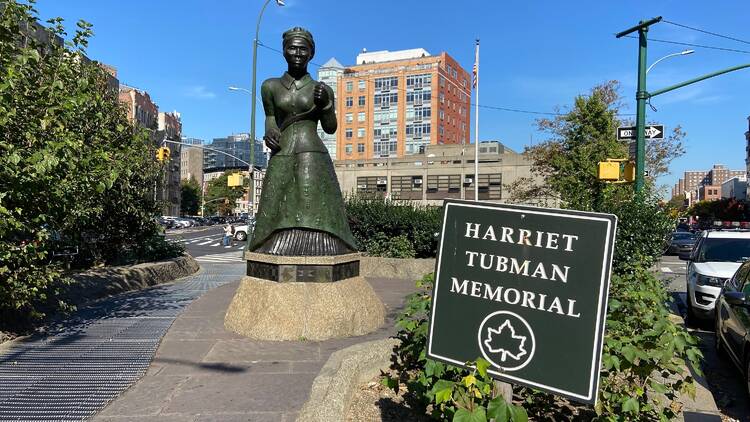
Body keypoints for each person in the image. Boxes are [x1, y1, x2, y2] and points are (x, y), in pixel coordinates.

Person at [247, 27, 357, 256]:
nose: (297, 53)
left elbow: (330, 127)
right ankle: (267, 247)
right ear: (284, 51)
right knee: (273, 201)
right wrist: (270, 133)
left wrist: (326, 105)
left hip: (311, 150)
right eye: (292, 48)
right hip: (282, 151)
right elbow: (270, 119)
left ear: (311, 54)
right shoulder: (270, 86)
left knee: (312, 202)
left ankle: (320, 248)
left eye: (303, 49)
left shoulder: (322, 88)